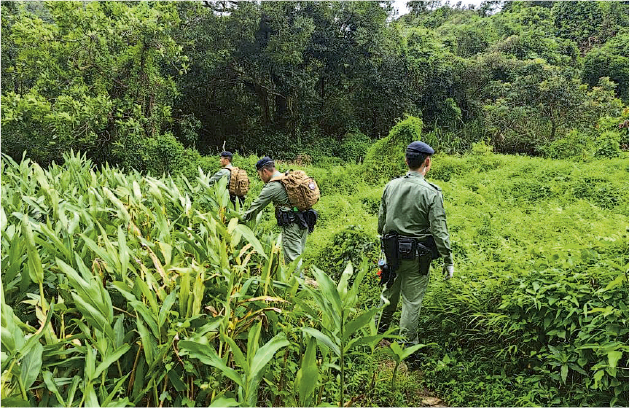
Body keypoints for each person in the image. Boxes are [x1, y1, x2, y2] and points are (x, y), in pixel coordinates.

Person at [377, 141, 454, 362]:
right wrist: (448, 260)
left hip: (391, 251)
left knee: (389, 292)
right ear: (427, 162)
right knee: (411, 302)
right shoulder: (431, 192)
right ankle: (408, 349)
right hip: (416, 254)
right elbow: (439, 230)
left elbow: (381, 223)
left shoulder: (390, 186)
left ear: (406, 161)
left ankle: (376, 333)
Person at [242, 157, 309, 269]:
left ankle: (297, 285)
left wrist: (241, 219)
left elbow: (256, 206)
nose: (260, 177)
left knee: (293, 259)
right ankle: (300, 281)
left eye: (259, 174)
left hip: (291, 225)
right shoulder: (287, 177)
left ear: (265, 171)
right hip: (304, 219)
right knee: (298, 255)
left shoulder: (273, 186)